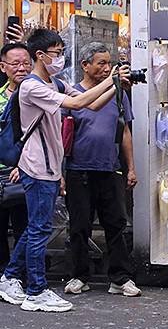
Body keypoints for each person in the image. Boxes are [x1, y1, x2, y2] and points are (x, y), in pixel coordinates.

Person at [0, 29, 129, 312]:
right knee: (39, 230)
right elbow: (76, 103)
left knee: (36, 228)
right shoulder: (33, 87)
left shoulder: (55, 82)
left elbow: (91, 105)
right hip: (36, 167)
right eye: (57, 53)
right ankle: (35, 290)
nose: (60, 58)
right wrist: (111, 79)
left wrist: (115, 85)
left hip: (50, 167)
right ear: (41, 55)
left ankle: (9, 276)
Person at [63, 42, 140, 297]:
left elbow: (125, 131)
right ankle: (79, 276)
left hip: (110, 168)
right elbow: (62, 137)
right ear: (85, 65)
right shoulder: (71, 95)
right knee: (79, 226)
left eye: (109, 63)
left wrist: (131, 167)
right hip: (78, 169)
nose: (107, 68)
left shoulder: (118, 93)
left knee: (116, 224)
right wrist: (61, 174)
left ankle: (120, 278)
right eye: (101, 63)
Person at [0, 43, 31, 274]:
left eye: (26, 63)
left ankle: (20, 275)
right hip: (1, 172)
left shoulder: (38, 95)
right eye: (15, 63)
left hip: (27, 171)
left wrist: (23, 165)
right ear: (3, 67)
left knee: (25, 226)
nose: (21, 68)